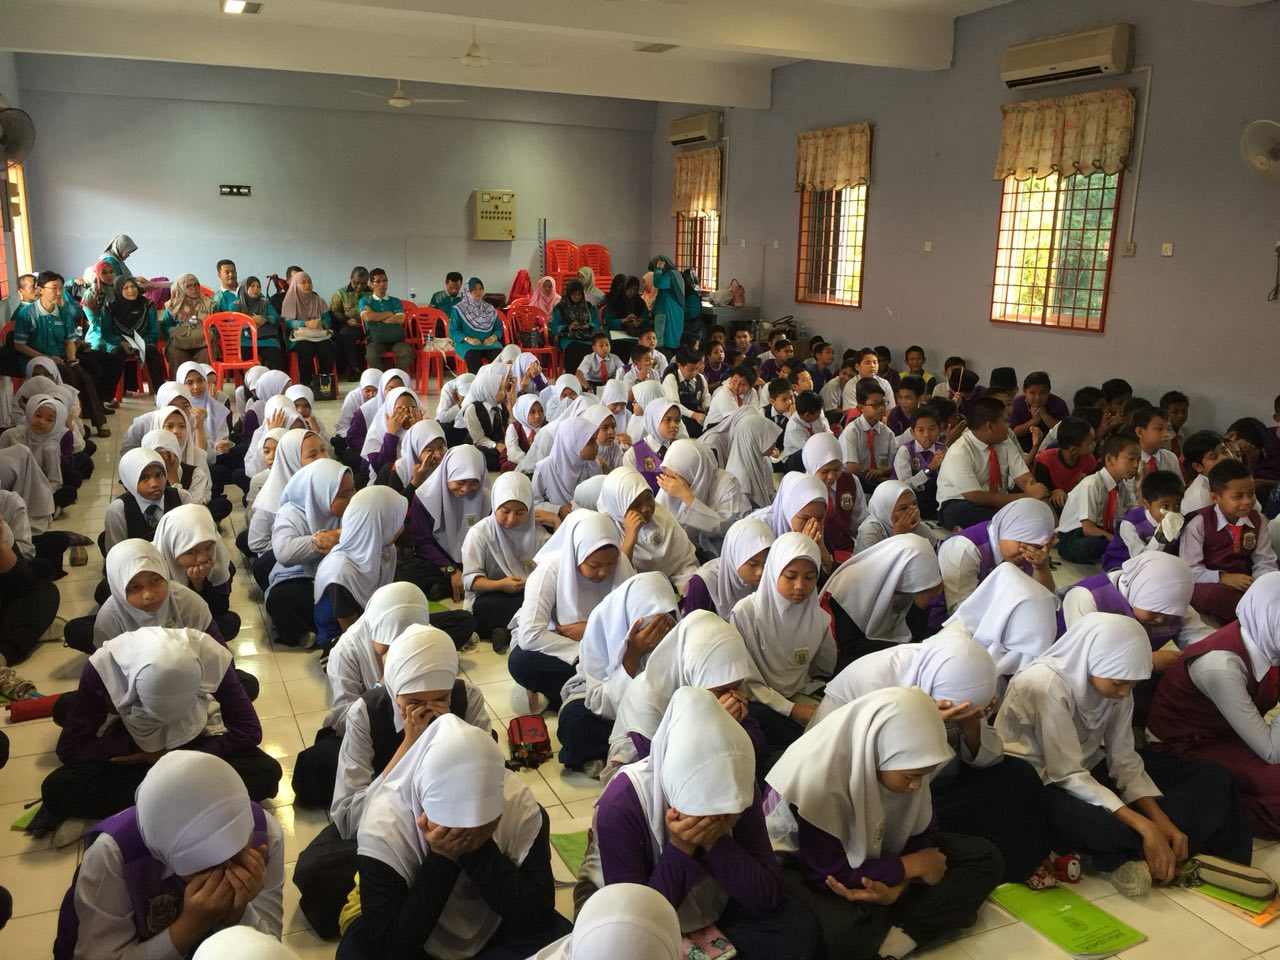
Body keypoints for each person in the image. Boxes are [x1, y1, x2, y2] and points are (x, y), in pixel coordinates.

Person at [997, 613, 1252, 896]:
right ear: (1091, 660)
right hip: (1040, 781)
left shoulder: (1120, 682)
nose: (1124, 692)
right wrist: (1145, 825)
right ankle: (1134, 852)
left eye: (1132, 684)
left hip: (1087, 769)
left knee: (1211, 777)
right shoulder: (1045, 685)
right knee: (1097, 824)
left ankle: (1175, 853)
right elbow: (1066, 774)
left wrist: (1159, 820)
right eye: (1119, 683)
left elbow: (1123, 759)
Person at [766, 687, 1003, 960]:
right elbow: (826, 873)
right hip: (801, 864)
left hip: (876, 856)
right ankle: (923, 914)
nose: (916, 786)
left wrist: (899, 886)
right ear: (878, 752)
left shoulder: (907, 759)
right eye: (910, 777)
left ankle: (892, 944)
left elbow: (922, 833)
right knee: (845, 929)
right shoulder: (818, 776)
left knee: (983, 858)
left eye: (923, 775)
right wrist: (910, 867)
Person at [585, 687, 820, 956]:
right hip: (652, 915)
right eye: (708, 814)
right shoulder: (621, 805)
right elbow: (636, 926)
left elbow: (766, 896)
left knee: (797, 928)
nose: (723, 820)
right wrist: (681, 847)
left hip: (722, 907)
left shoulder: (740, 787)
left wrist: (715, 843)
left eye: (730, 814)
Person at [812, 632, 1056, 887]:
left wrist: (970, 723)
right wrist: (923, 721)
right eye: (956, 709)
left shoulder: (960, 677)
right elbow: (839, 761)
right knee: (958, 817)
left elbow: (988, 760)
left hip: (931, 783)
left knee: (1019, 775)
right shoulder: (873, 678)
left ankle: (1024, 861)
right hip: (887, 791)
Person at [295, 625, 490, 939]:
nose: (428, 711)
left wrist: (450, 734)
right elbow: (348, 819)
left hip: (451, 824)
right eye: (413, 701)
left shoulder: (467, 699)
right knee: (315, 871)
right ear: (394, 689)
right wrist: (408, 746)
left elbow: (490, 784)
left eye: (441, 698)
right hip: (388, 828)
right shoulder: (368, 712)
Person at [340, 716, 570, 959]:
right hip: (417, 936)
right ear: (423, 804)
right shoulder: (384, 826)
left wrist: (479, 850)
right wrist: (442, 857)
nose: (467, 830)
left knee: (565, 940)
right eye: (454, 824)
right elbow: (394, 948)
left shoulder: (519, 805)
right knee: (358, 952)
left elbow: (538, 915)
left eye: (482, 822)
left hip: (498, 926)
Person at [53, 751, 284, 960]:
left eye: (238, 852)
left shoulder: (266, 834)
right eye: (203, 867)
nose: (225, 871)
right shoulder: (114, 854)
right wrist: (189, 927)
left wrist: (238, 914)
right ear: (163, 854)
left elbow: (271, 947)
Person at [41, 627, 282, 828]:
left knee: (266, 772)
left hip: (189, 747)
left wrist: (175, 756)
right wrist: (133, 749)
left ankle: (143, 806)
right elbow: (70, 749)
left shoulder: (209, 656)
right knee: (56, 789)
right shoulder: (103, 668)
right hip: (132, 751)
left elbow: (249, 731)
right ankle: (192, 803)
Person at [1146, 573, 1280, 836]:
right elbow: (1272, 752)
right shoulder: (1221, 665)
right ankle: (1211, 808)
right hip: (1184, 745)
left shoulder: (1263, 638)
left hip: (1227, 733)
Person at [606, 611, 762, 777]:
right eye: (721, 690)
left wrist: (732, 726)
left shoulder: (724, 690)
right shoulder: (648, 698)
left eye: (738, 686)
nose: (732, 696)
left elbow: (757, 747)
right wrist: (714, 727)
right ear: (693, 673)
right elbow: (664, 771)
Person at [509, 511, 634, 712]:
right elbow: (530, 635)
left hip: (609, 649)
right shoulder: (550, 570)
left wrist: (590, 631)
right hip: (564, 645)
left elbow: (633, 620)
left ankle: (575, 694)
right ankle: (594, 692)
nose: (604, 572)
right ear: (576, 554)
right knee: (521, 662)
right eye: (594, 565)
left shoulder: (621, 565)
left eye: (610, 563)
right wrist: (585, 651)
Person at [556, 572, 678, 772]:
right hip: (611, 712)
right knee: (575, 722)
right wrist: (633, 654)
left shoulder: (678, 631)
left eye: (666, 622)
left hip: (659, 717)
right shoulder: (602, 629)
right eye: (650, 627)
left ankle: (638, 754)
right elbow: (600, 703)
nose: (659, 633)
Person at [733, 532, 835, 753]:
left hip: (801, 692)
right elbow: (746, 681)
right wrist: (791, 709)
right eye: (790, 576)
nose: (800, 586)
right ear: (773, 572)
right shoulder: (746, 613)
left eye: (810, 577)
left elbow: (824, 668)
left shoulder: (818, 618)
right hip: (761, 701)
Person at [64, 538, 221, 654]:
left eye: (155, 580)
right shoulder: (110, 619)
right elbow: (108, 670)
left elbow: (218, 653)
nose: (148, 595)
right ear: (119, 590)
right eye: (135, 587)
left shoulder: (187, 601)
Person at [264, 459, 354, 647]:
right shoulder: (291, 513)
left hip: (340, 578)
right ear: (321, 494)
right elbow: (284, 554)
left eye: (352, 490)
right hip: (302, 576)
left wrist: (339, 535)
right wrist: (322, 540)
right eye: (343, 495)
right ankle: (317, 633)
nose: (352, 498)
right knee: (281, 598)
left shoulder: (354, 509)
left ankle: (328, 630)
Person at [13, 270, 113, 434]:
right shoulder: (27, 313)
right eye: (54, 288)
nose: (59, 292)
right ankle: (67, 423)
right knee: (69, 375)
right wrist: (46, 357)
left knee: (84, 374)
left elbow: (69, 341)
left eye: (61, 288)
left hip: (60, 358)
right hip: (36, 360)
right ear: (40, 289)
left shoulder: (63, 313)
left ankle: (98, 422)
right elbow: (20, 345)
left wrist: (72, 357)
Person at [1182, 459, 1279, 624]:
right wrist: (1223, 577)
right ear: (1215, 497)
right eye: (1238, 496)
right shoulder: (1199, 523)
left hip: (1247, 582)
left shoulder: (1258, 520)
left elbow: (1265, 561)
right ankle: (1251, 619)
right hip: (1213, 584)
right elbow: (1190, 570)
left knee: (1273, 583)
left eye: (1251, 493)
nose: (1247, 501)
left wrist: (1261, 585)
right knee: (1210, 596)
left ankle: (1257, 612)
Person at [461, 472, 549, 652]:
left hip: (528, 593)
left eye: (520, 512)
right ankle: (517, 627)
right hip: (493, 593)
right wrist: (501, 585)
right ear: (495, 505)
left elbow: (555, 567)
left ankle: (506, 631)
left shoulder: (538, 534)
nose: (511, 519)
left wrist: (556, 521)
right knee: (484, 609)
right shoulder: (480, 534)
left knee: (547, 600)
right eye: (505, 511)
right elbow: (471, 580)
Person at [823, 535, 942, 667]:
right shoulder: (851, 584)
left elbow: (912, 636)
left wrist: (921, 604)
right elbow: (850, 647)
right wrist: (899, 646)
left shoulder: (895, 581)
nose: (912, 593)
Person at [313, 486, 408, 650]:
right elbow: (352, 636)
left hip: (377, 625)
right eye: (397, 521)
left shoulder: (385, 548)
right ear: (380, 525)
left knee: (451, 624)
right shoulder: (340, 572)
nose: (402, 527)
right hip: (343, 639)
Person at [935, 396, 1049, 530]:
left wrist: (1038, 495)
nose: (1009, 426)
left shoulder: (1005, 442)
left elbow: (1026, 480)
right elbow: (975, 496)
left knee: (1037, 498)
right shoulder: (959, 451)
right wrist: (1027, 496)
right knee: (963, 512)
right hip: (962, 502)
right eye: (1005, 421)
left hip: (998, 501)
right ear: (990, 426)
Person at [936, 498, 1057, 616]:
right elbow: (960, 613)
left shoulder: (1026, 551)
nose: (1026, 553)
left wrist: (1041, 567)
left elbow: (1045, 601)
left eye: (1037, 547)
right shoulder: (963, 549)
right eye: (1022, 543)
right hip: (947, 621)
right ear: (1007, 531)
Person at [405, 445, 491, 610]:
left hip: (474, 558)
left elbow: (488, 538)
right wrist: (451, 570)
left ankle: (452, 584)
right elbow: (423, 543)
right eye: (460, 482)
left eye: (474, 483)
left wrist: (471, 566)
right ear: (447, 475)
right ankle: (460, 581)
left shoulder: (485, 498)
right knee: (407, 571)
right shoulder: (424, 497)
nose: (465, 489)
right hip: (438, 560)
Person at [598, 468, 699, 585]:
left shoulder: (660, 514)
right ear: (619, 507)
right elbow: (620, 581)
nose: (646, 508)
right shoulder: (609, 534)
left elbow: (685, 558)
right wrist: (629, 540)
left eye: (648, 497)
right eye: (635, 504)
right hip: (645, 588)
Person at [654, 438, 748, 557]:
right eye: (666, 475)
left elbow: (728, 528)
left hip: (720, 554)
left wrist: (688, 498)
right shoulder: (670, 483)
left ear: (694, 472)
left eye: (675, 477)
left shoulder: (726, 483)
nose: (670, 482)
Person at [102, 447, 191, 556]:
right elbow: (117, 556)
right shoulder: (118, 510)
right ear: (130, 480)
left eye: (159, 475)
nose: (154, 484)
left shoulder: (181, 497)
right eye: (144, 478)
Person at [91, 274, 166, 392]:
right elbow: (107, 333)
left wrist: (140, 342)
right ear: (118, 290)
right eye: (125, 288)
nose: (131, 290)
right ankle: (109, 395)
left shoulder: (148, 305)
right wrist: (121, 342)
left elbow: (153, 331)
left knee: (152, 352)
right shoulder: (109, 308)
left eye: (133, 286)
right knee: (116, 355)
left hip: (144, 341)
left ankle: (161, 393)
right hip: (118, 343)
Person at [1099, 468, 1185, 572]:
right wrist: (1160, 537)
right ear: (1146, 504)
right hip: (1123, 566)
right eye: (1164, 506)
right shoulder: (1131, 524)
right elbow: (1141, 562)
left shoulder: (1178, 519)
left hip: (1158, 566)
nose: (1172, 511)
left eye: (1177, 505)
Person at [800, 433, 865, 565]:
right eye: (824, 471)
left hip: (845, 550)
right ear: (812, 465)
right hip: (811, 551)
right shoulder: (800, 488)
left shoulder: (850, 482)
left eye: (837, 469)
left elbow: (860, 523)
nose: (831, 476)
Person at [531, 413, 603, 519]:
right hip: (555, 525)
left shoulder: (594, 466)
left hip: (588, 521)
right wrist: (557, 510)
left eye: (595, 440)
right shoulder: (544, 469)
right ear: (573, 443)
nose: (596, 446)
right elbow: (533, 504)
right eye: (591, 441)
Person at [281, 270, 337, 382]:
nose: (307, 285)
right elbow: (287, 323)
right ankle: (306, 382)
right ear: (295, 284)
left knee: (327, 348)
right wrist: (305, 323)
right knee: (306, 349)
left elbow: (327, 319)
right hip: (298, 338)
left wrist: (322, 324)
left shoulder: (318, 300)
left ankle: (323, 382)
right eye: (303, 282)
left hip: (318, 335)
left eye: (309, 282)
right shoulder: (290, 301)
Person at [854, 481, 936, 554]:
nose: (913, 511)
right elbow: (870, 565)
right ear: (886, 511)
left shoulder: (920, 529)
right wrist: (898, 537)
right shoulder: (870, 532)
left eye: (914, 504)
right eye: (903, 508)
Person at [840, 381, 894, 490]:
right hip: (857, 486)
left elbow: (895, 464)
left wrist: (881, 471)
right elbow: (851, 468)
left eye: (883, 403)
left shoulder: (887, 433)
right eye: (875, 404)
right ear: (861, 407)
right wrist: (879, 479)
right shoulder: (851, 432)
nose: (881, 408)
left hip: (884, 486)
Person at [359, 268, 411, 371]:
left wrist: (376, 316)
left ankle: (393, 375)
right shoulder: (365, 301)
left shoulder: (395, 301)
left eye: (384, 281)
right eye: (378, 281)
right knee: (372, 356)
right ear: (371, 284)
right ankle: (382, 378)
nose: (382, 284)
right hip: (376, 339)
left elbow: (400, 319)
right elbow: (368, 318)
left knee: (408, 353)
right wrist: (389, 313)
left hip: (395, 337)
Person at [449, 277, 505, 372]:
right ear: (468, 291)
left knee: (498, 354)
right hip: (468, 344)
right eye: (474, 289)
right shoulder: (459, 309)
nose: (478, 292)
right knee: (473, 356)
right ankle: (476, 381)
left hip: (489, 343)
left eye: (480, 288)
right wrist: (468, 339)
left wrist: (493, 338)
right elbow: (453, 331)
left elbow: (498, 328)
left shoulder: (489, 308)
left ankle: (495, 380)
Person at [161, 273, 214, 368]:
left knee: (207, 352)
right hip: (179, 341)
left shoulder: (209, 304)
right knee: (175, 353)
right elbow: (166, 326)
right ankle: (180, 378)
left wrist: (210, 333)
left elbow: (216, 326)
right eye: (189, 286)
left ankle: (205, 378)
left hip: (204, 341)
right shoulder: (172, 306)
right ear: (181, 288)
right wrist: (180, 331)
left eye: (196, 284)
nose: (194, 288)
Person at [329, 266, 371, 379]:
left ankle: (377, 368)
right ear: (351, 278)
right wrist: (346, 320)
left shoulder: (372, 292)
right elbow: (334, 312)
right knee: (345, 334)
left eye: (363, 283)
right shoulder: (340, 293)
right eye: (356, 283)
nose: (359, 286)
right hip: (351, 325)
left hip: (370, 324)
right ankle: (354, 369)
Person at [1180, 430, 1233, 514]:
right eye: (1214, 457)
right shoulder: (1202, 496)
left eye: (1225, 452)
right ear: (1198, 466)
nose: (1224, 458)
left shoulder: (1233, 478)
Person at [1129, 406, 1181, 477]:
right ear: (1140, 432)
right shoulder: (1129, 461)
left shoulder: (1171, 458)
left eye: (1168, 429)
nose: (1166, 434)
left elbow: (1178, 484)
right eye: (1160, 429)